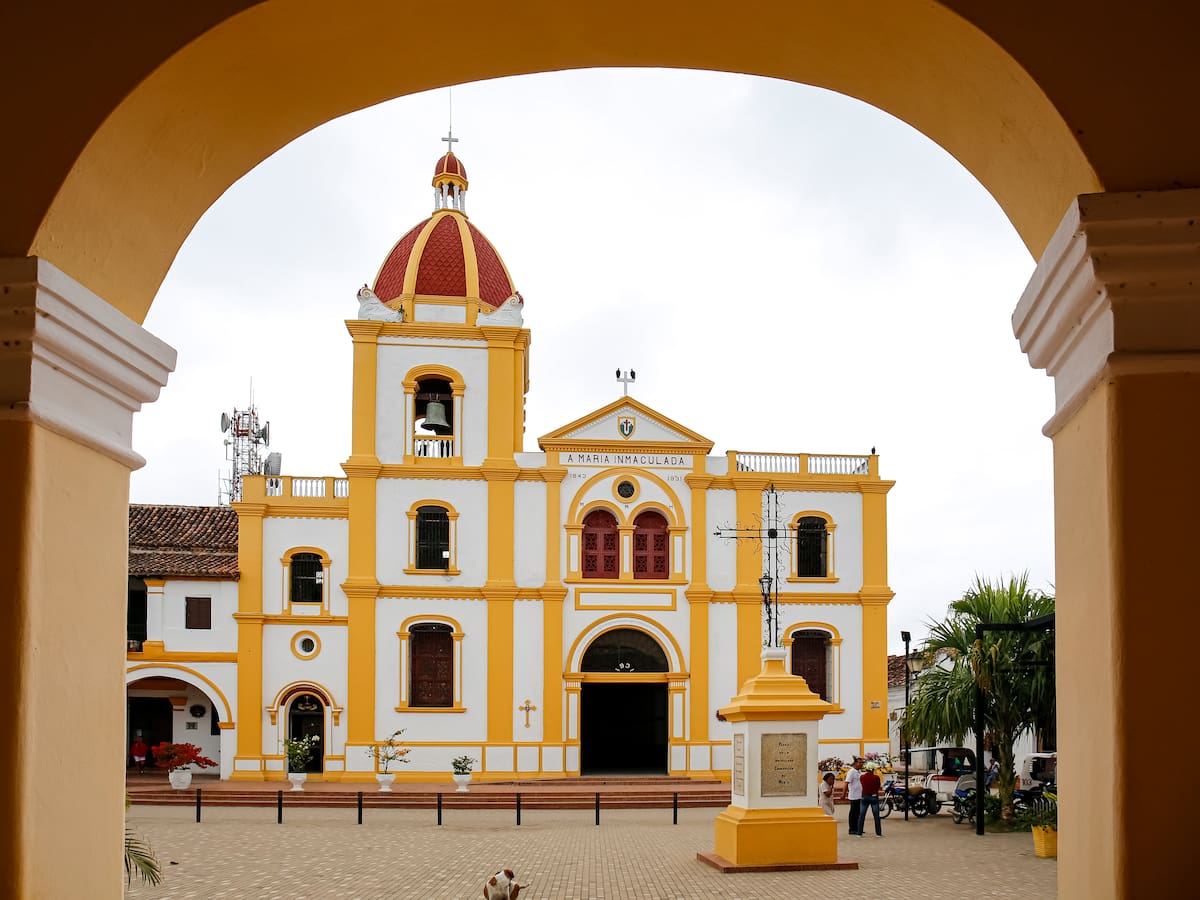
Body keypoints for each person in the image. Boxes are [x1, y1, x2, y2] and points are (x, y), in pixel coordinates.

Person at [857, 763, 883, 837]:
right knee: (876, 815)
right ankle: (878, 833)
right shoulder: (876, 777)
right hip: (874, 796)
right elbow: (878, 786)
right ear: (873, 769)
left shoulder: (862, 777)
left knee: (861, 815)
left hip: (864, 797)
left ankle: (859, 833)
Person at [845, 757, 864, 835]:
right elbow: (846, 783)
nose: (861, 764)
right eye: (860, 762)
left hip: (860, 795)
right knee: (853, 813)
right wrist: (843, 794)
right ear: (855, 763)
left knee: (858, 813)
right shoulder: (851, 772)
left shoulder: (859, 771)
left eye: (862, 763)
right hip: (854, 796)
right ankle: (852, 829)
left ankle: (858, 828)